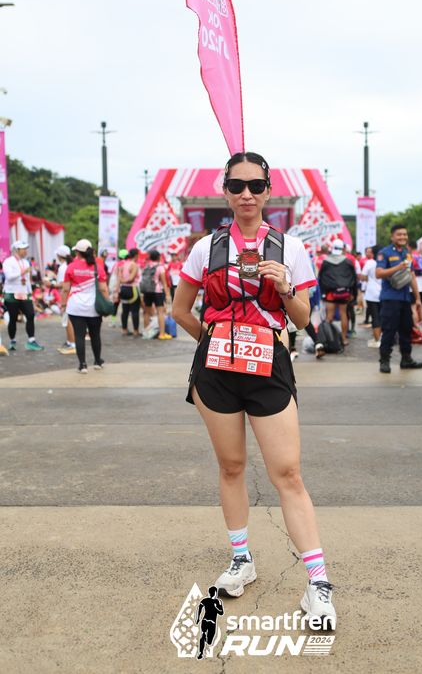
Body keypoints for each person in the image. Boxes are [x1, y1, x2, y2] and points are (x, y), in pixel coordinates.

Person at [172, 151, 336, 629]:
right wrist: (214, 341)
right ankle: (241, 559)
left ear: (268, 191)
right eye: (237, 185)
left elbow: (302, 319)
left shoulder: (291, 248)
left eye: (256, 186)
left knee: (289, 474)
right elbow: (180, 309)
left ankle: (318, 585)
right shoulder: (205, 248)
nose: (247, 194)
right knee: (231, 467)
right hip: (217, 372)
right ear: (225, 191)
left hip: (270, 367)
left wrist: (285, 288)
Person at [375, 225, 422, 373]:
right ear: (392, 237)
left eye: (404, 234)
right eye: (399, 234)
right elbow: (379, 273)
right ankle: (384, 361)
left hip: (405, 299)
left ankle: (406, 359)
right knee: (389, 331)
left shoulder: (407, 253)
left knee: (406, 330)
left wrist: (417, 299)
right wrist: (398, 267)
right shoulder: (384, 253)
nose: (402, 237)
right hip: (390, 299)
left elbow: (411, 276)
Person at [60, 239, 109, 373]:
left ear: (77, 252)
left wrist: (63, 304)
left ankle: (82, 365)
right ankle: (97, 361)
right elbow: (103, 288)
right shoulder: (97, 267)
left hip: (75, 307)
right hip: (94, 307)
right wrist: (107, 303)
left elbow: (65, 289)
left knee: (79, 336)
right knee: (95, 335)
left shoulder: (71, 267)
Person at [2, 240, 44, 351]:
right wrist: (23, 272)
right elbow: (9, 277)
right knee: (13, 318)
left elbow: (27, 280)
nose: (26, 251)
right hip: (11, 293)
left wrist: (30, 293)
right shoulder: (8, 261)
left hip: (24, 293)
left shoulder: (25, 262)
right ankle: (12, 340)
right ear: (16, 250)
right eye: (23, 249)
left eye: (26, 249)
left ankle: (31, 340)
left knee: (30, 315)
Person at [318, 238, 357, 346]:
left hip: (330, 293)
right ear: (343, 248)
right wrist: (353, 293)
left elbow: (321, 277)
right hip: (344, 292)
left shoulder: (326, 261)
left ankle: (328, 340)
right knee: (343, 314)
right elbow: (354, 279)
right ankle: (344, 339)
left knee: (329, 316)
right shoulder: (348, 262)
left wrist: (323, 292)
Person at [140, 249, 172, 340]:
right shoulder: (160, 267)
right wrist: (167, 295)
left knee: (146, 313)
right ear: (158, 257)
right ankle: (162, 334)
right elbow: (164, 283)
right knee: (160, 312)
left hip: (147, 291)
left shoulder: (146, 266)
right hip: (157, 291)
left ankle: (146, 333)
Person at [54, 245, 76, 354]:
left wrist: (51, 284)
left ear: (59, 255)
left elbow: (64, 286)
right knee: (68, 320)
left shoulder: (63, 267)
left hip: (66, 296)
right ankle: (69, 341)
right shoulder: (70, 265)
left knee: (67, 320)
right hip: (72, 295)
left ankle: (72, 343)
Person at [359, 244, 382, 348]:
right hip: (384, 293)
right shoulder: (385, 262)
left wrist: (371, 279)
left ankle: (377, 340)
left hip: (372, 293)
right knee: (383, 316)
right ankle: (382, 338)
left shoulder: (370, 263)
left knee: (375, 317)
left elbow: (363, 276)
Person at [117, 248, 141, 337]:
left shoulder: (123, 264)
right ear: (136, 255)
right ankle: (135, 331)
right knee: (135, 311)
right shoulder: (134, 265)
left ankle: (124, 329)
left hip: (123, 289)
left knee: (125, 310)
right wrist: (125, 281)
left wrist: (121, 283)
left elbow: (119, 277)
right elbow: (131, 278)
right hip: (132, 289)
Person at [195, 586, 224, 660]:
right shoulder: (214, 601)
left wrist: (198, 618)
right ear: (215, 593)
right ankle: (201, 652)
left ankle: (204, 641)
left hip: (207, 621)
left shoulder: (211, 601)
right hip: (209, 622)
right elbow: (221, 612)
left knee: (208, 640)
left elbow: (199, 608)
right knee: (205, 637)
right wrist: (216, 607)